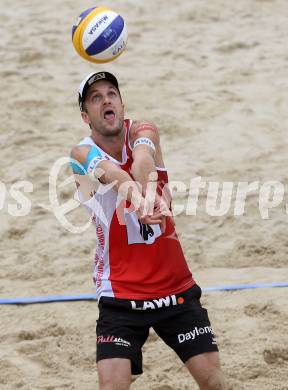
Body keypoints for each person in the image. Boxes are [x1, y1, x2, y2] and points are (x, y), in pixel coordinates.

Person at [70, 71, 226, 390]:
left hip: (175, 286)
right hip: (120, 292)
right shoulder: (81, 154)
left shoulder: (145, 131)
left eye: (112, 93)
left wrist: (145, 192)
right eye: (96, 98)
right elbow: (114, 175)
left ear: (123, 105)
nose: (106, 100)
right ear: (86, 116)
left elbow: (143, 157)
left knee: (216, 385)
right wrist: (141, 202)